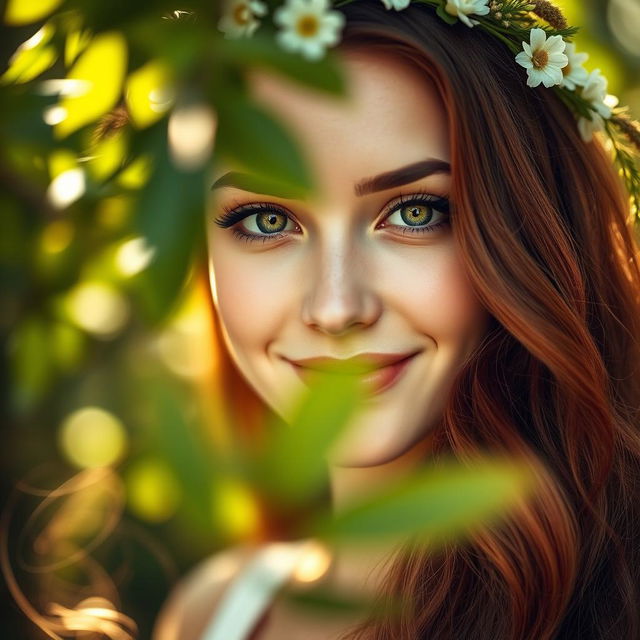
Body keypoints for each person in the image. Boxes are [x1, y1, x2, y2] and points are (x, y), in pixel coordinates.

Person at [154, 1, 640, 638]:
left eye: (415, 213)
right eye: (267, 220)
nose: (336, 308)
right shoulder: (212, 614)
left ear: (530, 231)